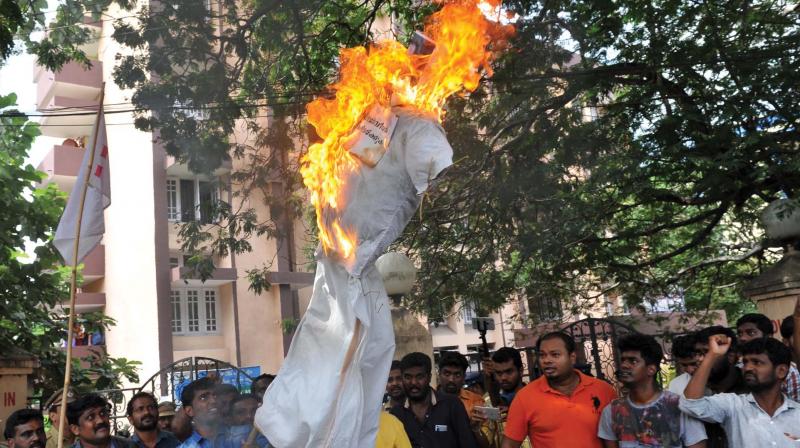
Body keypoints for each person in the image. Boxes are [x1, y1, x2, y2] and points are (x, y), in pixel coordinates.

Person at [501, 331, 616, 448]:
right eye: (542, 355)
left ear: (572, 358)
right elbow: (509, 444)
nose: (546, 360)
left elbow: (619, 438)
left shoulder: (604, 390)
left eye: (555, 355)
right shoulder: (524, 397)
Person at [680, 336, 800, 446]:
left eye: (757, 362)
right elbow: (689, 404)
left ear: (781, 371)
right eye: (745, 362)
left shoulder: (797, 414)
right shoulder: (733, 405)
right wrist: (712, 355)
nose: (747, 368)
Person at [598, 334, 707, 448]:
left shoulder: (679, 406)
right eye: (623, 360)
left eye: (633, 361)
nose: (624, 365)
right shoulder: (612, 411)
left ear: (651, 369)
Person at [389, 352, 478, 448]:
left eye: (419, 377)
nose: (413, 382)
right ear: (402, 378)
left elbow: (468, 444)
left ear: (429, 377)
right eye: (408, 377)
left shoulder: (452, 405)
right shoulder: (396, 413)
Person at [736, 312, 800, 401]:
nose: (743, 338)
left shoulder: (789, 372)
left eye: (751, 333)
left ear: (768, 337)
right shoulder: (736, 369)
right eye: (739, 334)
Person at [477, 348, 529, 448]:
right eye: (499, 373)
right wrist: (475, 428)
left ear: (521, 371)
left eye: (509, 372)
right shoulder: (488, 400)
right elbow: (486, 443)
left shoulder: (536, 395)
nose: (503, 377)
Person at [66, 393, 135, 448]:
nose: (100, 421)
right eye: (90, 417)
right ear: (75, 429)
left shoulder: (130, 446)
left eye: (102, 413)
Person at [177, 378, 227, 448]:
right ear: (190, 411)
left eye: (215, 395)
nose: (213, 401)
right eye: (203, 398)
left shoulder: (239, 437)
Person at [437, 352, 484, 419]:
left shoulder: (476, 401)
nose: (451, 379)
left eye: (457, 375)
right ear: (439, 374)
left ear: (464, 376)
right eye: (447, 374)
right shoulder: (427, 400)